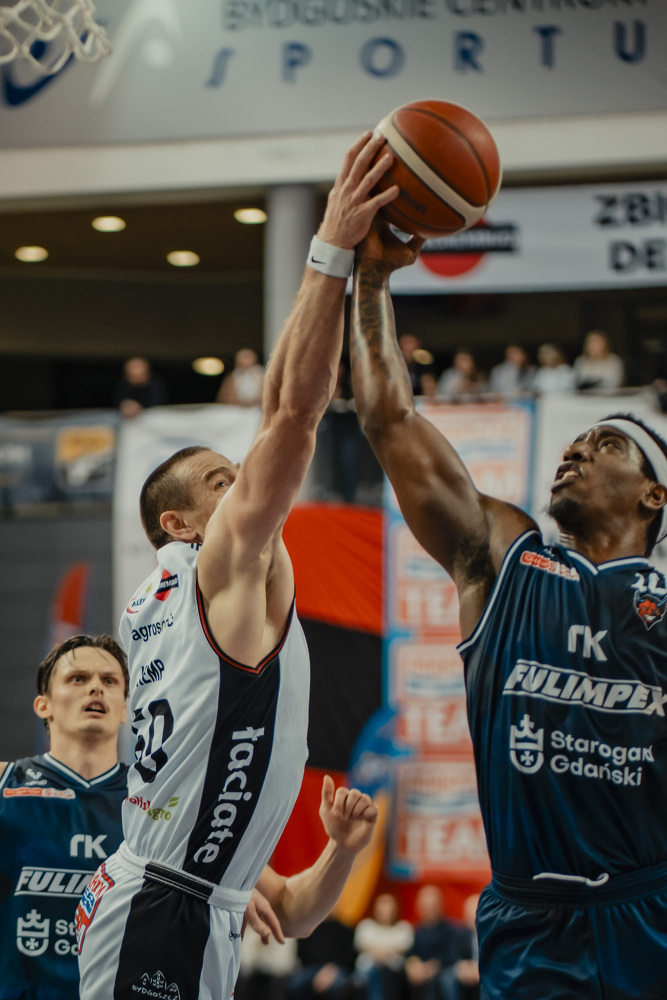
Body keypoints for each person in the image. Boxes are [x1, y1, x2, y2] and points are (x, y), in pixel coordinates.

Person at [77, 131, 396, 1000]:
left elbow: (295, 915)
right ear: (178, 524)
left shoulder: (171, 603)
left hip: (180, 897)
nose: (247, 483)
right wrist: (330, 249)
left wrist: (342, 849)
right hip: (162, 908)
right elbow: (291, 413)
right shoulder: (214, 569)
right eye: (224, 480)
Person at [349, 218, 667, 999]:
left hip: (649, 908)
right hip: (529, 920)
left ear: (653, 496)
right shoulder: (505, 559)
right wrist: (371, 281)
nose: (574, 450)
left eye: (605, 445)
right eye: (573, 442)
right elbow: (390, 422)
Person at [0, 634, 130, 1000]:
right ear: (44, 705)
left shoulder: (158, 803)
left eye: (109, 681)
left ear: (124, 709)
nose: (96, 688)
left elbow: (277, 899)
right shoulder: (5, 783)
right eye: (78, 678)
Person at [403, 886, 474, 1000]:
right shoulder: (416, 932)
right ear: (418, 907)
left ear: (441, 906)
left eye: (433, 906)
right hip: (421, 975)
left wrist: (432, 966)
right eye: (426, 906)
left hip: (444, 971)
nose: (429, 910)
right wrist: (413, 964)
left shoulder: (453, 929)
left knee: (444, 978)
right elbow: (411, 953)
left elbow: (453, 955)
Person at [354, 892, 413, 1000]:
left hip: (393, 969)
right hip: (368, 967)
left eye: (389, 906)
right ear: (375, 909)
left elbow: (404, 945)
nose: (385, 910)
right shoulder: (366, 925)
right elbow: (361, 943)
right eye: (382, 906)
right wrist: (386, 951)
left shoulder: (403, 927)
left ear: (395, 909)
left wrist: (377, 951)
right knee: (369, 972)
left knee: (386, 973)